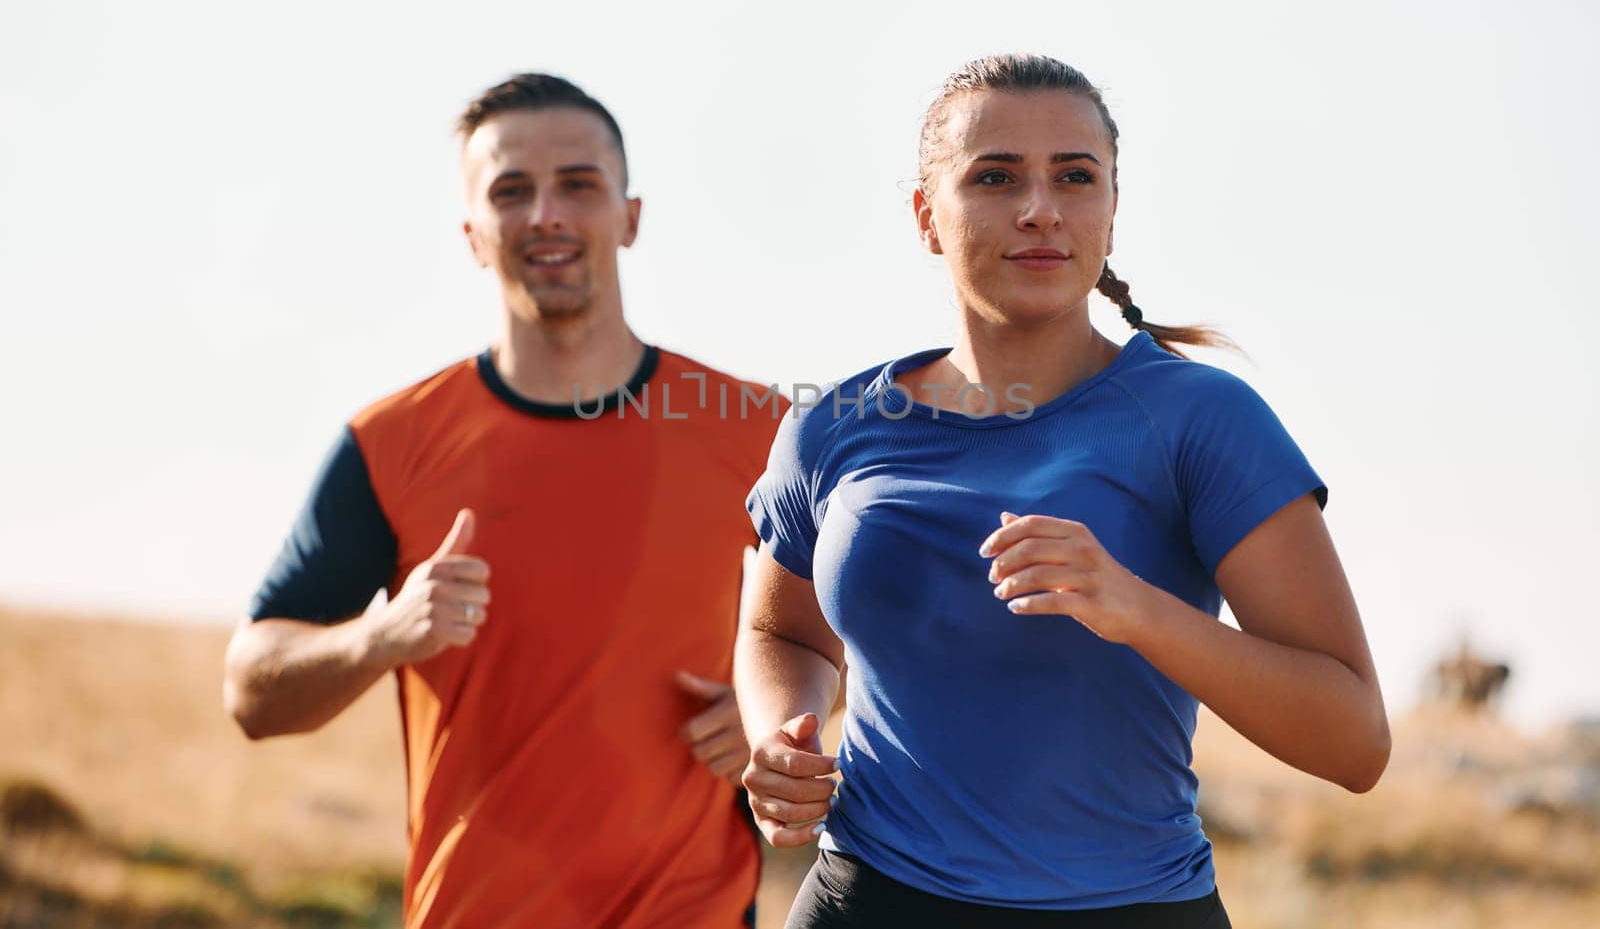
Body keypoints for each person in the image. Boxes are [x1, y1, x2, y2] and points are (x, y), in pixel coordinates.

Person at [736, 54, 1390, 928]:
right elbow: (781, 630)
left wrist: (1134, 607)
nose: (1039, 208)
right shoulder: (836, 425)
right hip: (868, 899)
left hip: (1131, 909)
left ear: (1111, 213)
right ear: (929, 217)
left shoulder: (1200, 418)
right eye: (996, 176)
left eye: (1074, 177)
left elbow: (1354, 742)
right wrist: (785, 733)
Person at [223, 73, 784, 928]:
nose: (546, 215)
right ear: (474, 236)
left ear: (630, 217)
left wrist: (786, 714)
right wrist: (383, 634)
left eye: (578, 185)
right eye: (510, 192)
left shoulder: (756, 431)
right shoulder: (393, 444)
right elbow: (252, 692)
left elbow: (888, 633)